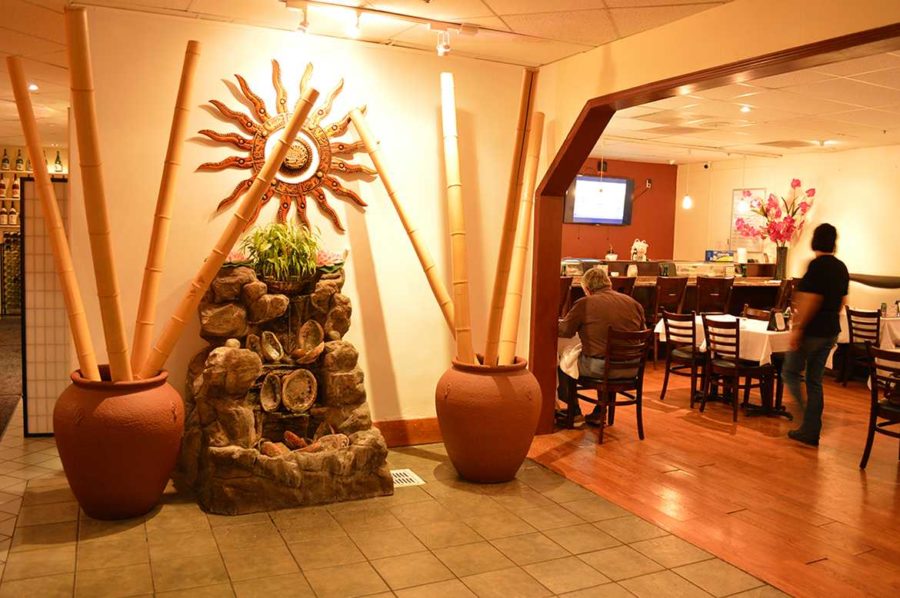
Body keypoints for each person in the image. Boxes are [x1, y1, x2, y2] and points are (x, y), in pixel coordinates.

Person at [783, 223, 849, 447]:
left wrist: (798, 328)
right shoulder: (841, 267)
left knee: (791, 372)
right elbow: (842, 302)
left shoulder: (817, 266)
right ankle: (811, 429)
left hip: (814, 330)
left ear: (815, 240)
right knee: (815, 380)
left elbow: (812, 299)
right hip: (831, 330)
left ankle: (806, 419)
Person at [558, 266, 645, 425]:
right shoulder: (634, 303)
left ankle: (573, 412)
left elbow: (565, 331)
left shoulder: (585, 303)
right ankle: (600, 412)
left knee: (565, 362)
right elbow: (642, 333)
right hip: (632, 368)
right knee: (606, 353)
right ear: (609, 283)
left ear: (587, 288)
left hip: (602, 367)